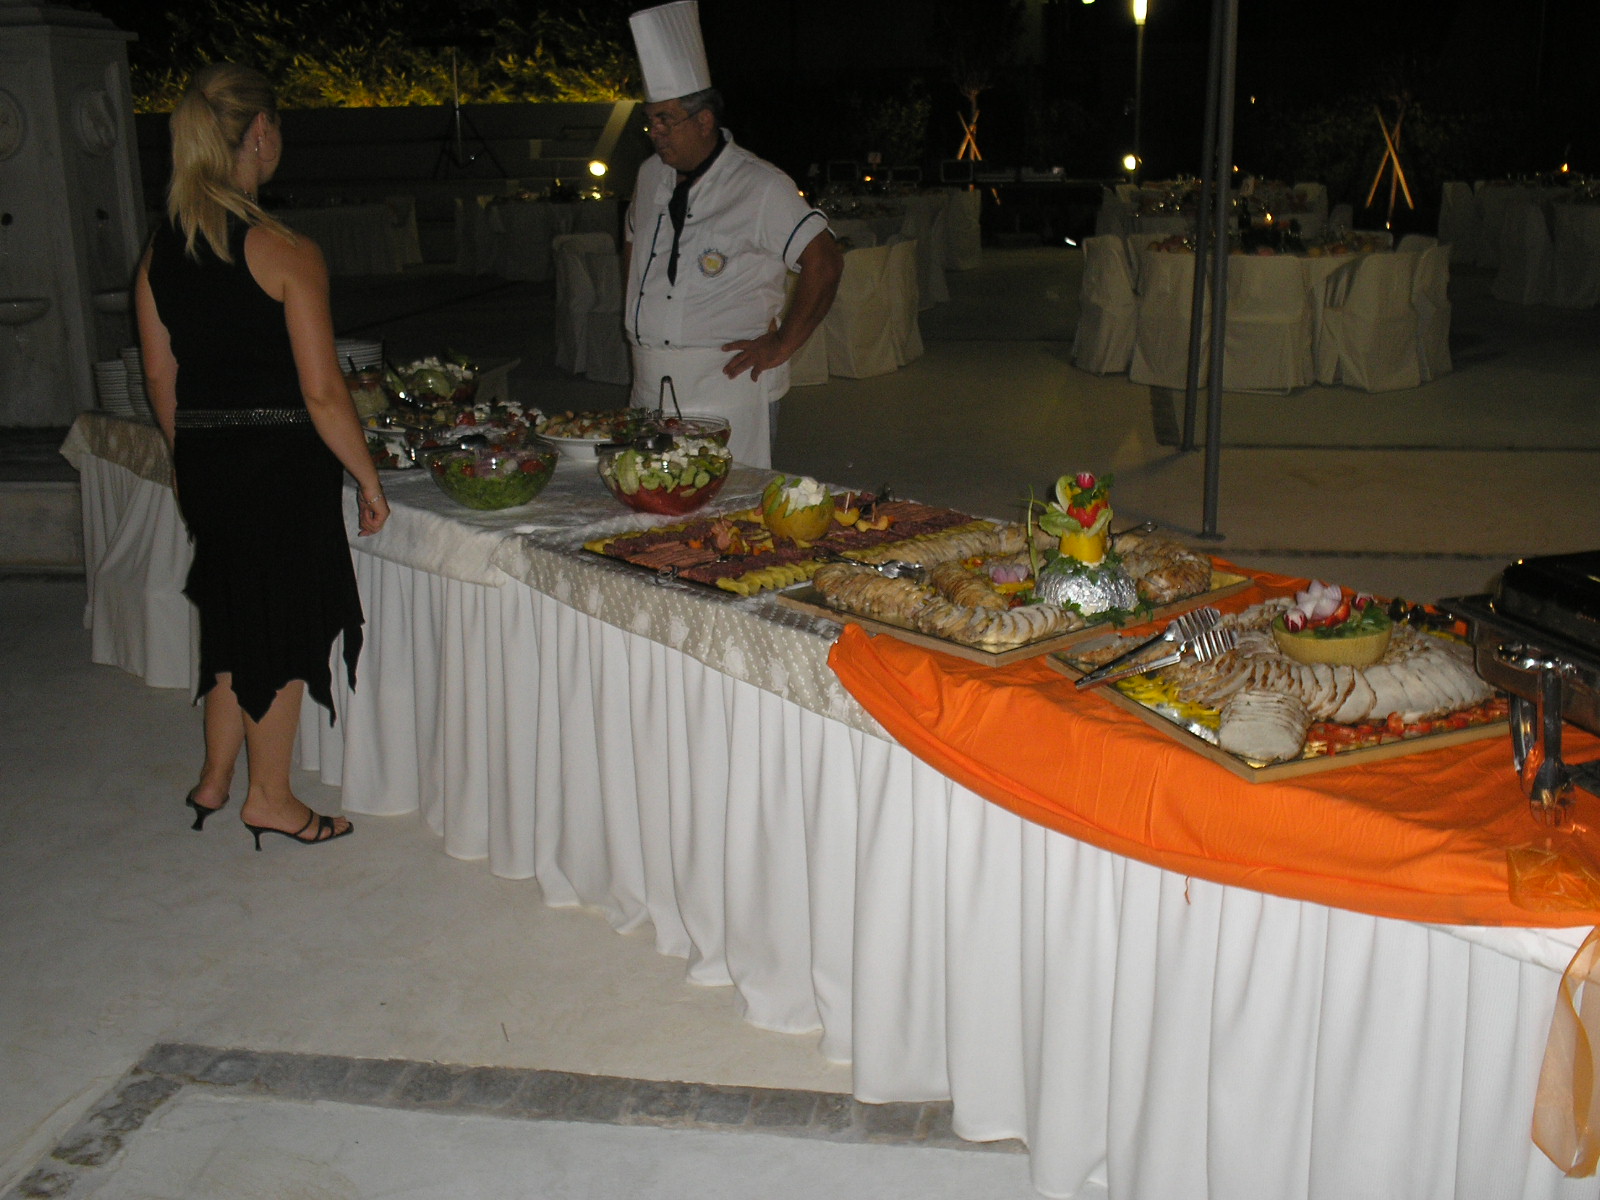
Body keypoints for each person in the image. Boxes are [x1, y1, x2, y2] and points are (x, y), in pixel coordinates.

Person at [133, 63, 389, 849]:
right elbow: (323, 391)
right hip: (280, 465)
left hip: (208, 458)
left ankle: (215, 777)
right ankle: (270, 798)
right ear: (261, 134)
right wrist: (368, 478)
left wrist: (187, 458)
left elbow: (159, 376)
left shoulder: (160, 251)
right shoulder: (284, 249)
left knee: (234, 615)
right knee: (277, 629)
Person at [624, 1, 842, 468]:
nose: (654, 132)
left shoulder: (761, 185)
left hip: (728, 386)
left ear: (704, 120)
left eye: (665, 120)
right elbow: (632, 243)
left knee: (732, 503)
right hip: (648, 384)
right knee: (650, 498)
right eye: (650, 119)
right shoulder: (648, 175)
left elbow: (824, 261)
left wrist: (783, 344)